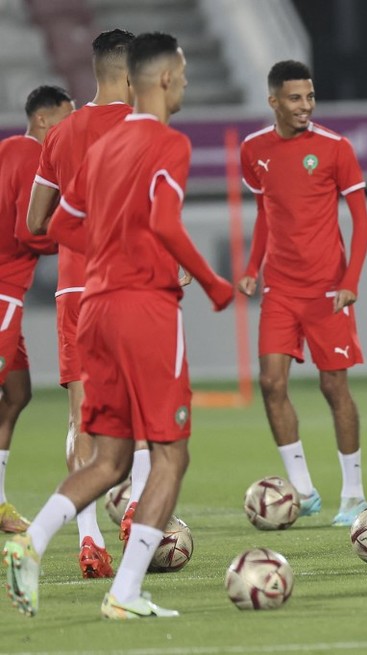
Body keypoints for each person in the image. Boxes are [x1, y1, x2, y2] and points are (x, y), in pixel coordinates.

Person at [2, 32, 233, 619]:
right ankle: (125, 593)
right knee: (171, 454)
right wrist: (208, 279)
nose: (184, 83)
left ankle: (30, 543)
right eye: (180, 74)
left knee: (109, 457)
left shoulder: (92, 146)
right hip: (143, 308)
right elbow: (165, 221)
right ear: (157, 79)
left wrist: (106, 249)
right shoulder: (166, 143)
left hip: (92, 305)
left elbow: (57, 226)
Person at [237, 60, 367, 527]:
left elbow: (362, 219)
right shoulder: (253, 149)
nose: (305, 106)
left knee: (334, 386)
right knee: (271, 383)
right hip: (279, 288)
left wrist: (351, 280)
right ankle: (304, 489)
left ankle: (353, 494)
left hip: (328, 290)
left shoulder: (335, 148)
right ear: (273, 101)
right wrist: (252, 267)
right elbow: (263, 213)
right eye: (295, 98)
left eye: (310, 97)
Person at [26, 28, 140, 580]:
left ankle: (88, 539)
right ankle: (138, 504)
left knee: (82, 417)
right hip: (130, 285)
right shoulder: (143, 129)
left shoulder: (62, 134)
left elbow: (33, 221)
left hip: (74, 289)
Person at [0, 86, 73, 533]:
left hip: (9, 294)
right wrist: (78, 234)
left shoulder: (7, 148)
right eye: (67, 118)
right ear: (45, 120)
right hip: (2, 292)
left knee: (17, 393)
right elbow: (30, 232)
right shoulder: (34, 159)